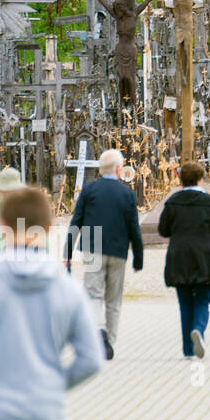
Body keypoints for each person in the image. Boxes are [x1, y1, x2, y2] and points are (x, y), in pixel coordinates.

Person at [0, 186, 102, 419]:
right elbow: (91, 359)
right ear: (49, 226)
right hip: (45, 408)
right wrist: (51, 385)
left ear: (3, 225)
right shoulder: (68, 288)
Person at [63, 149, 143, 361]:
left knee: (93, 295)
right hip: (118, 249)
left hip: (92, 245)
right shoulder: (127, 193)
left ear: (100, 169)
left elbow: (76, 222)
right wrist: (138, 257)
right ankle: (110, 339)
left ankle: (98, 333)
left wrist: (67, 253)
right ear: (119, 169)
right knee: (114, 298)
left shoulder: (89, 190)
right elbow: (134, 227)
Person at [158, 162, 210, 359]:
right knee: (203, 299)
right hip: (204, 254)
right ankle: (198, 329)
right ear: (200, 178)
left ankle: (188, 349)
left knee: (185, 302)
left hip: (179, 253)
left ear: (181, 179)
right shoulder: (208, 201)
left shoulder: (173, 201)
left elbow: (163, 230)